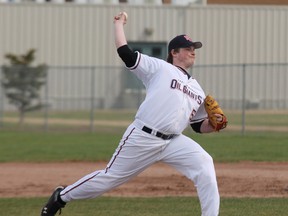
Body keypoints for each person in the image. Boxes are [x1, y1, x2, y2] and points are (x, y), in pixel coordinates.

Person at [40, 12, 227, 216]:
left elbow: (198, 126)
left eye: (194, 49)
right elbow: (125, 53)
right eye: (188, 48)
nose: (193, 52)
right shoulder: (159, 68)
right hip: (143, 136)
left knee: (205, 163)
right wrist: (118, 24)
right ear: (174, 52)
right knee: (109, 178)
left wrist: (214, 124)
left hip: (174, 142)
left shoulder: (197, 89)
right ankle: (61, 197)